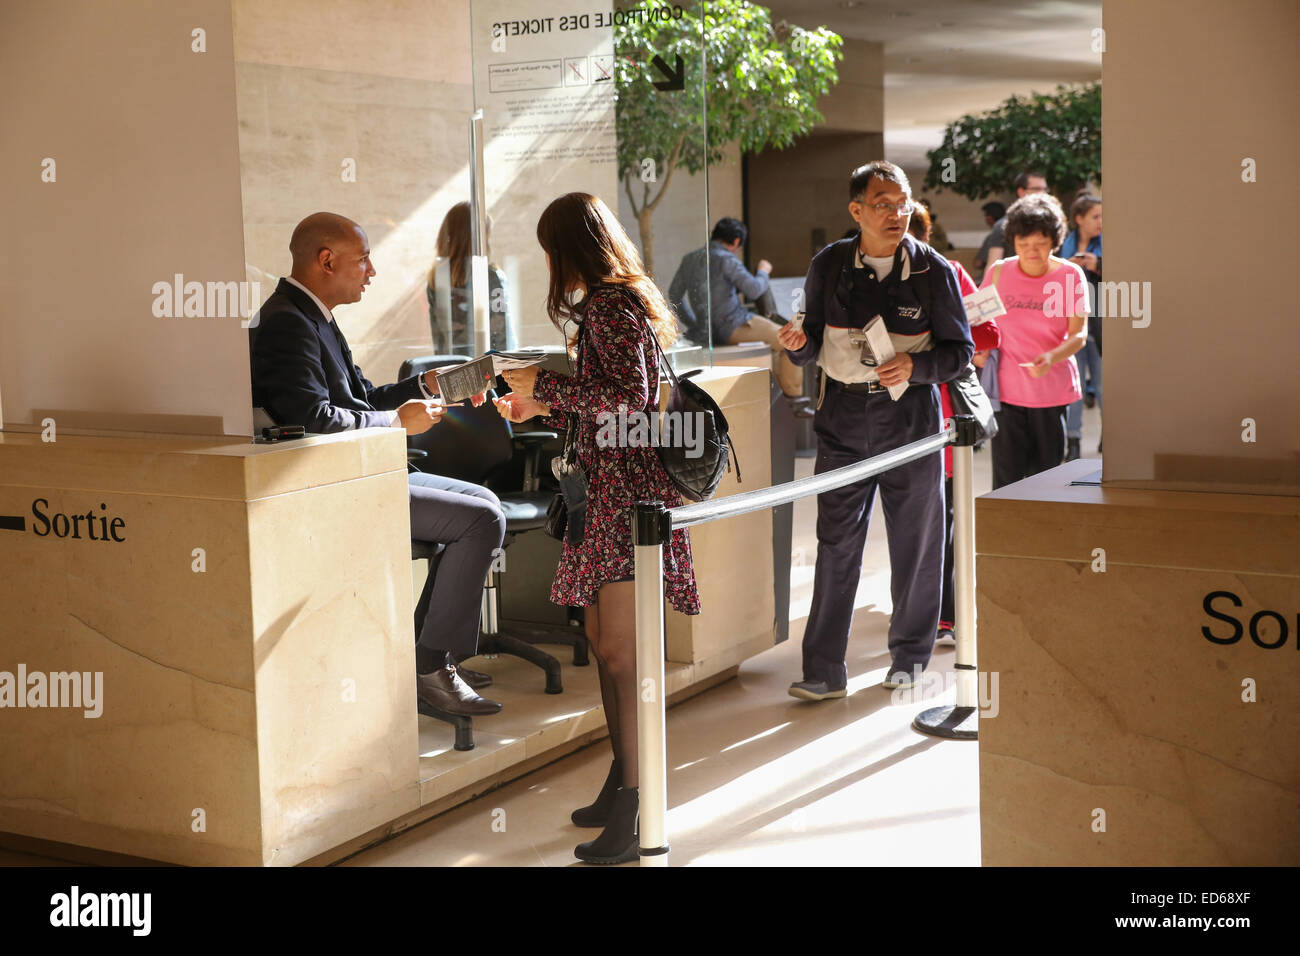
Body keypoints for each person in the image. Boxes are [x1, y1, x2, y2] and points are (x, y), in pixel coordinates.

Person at [496, 193, 699, 865]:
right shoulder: (617, 302)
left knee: (619, 650)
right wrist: (541, 402)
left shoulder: (612, 306)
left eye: (550, 250)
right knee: (604, 641)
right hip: (611, 492)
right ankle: (623, 778)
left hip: (627, 497)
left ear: (567, 250)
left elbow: (631, 403)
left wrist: (545, 392)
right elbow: (615, 401)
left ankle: (639, 798)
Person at [250, 212, 506, 719]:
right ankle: (430, 667)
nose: (372, 271)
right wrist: (396, 422)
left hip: (366, 472)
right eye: (363, 258)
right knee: (483, 520)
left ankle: (424, 656)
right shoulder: (286, 321)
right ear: (327, 261)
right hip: (336, 484)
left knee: (486, 500)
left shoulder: (313, 316)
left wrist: (426, 387)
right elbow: (312, 417)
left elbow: (360, 396)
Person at [777, 161, 973, 695]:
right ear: (856, 210)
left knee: (916, 542)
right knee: (836, 543)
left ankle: (909, 659)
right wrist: (801, 346)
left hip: (911, 420)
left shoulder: (935, 271)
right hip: (841, 417)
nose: (895, 213)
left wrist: (916, 367)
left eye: (903, 202)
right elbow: (813, 337)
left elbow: (961, 354)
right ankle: (822, 672)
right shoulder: (830, 264)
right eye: (882, 203)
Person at [907, 206, 1001, 645]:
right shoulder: (861, 278)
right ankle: (917, 606)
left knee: (944, 512)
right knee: (909, 516)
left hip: (941, 411)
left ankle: (946, 613)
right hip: (886, 416)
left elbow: (988, 334)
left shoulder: (949, 272)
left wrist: (944, 340)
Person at [981, 195, 1089, 488]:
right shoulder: (999, 272)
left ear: (1054, 241)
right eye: (1023, 244)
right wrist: (979, 351)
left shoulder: (1070, 275)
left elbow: (1079, 334)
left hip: (1050, 393)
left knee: (1048, 480)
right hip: (1005, 394)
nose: (1031, 252)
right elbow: (979, 324)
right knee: (1006, 481)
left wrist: (1051, 358)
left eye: (1039, 244)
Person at [668, 217, 811, 415]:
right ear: (736, 242)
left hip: (706, 331)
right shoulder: (727, 259)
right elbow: (754, 289)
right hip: (734, 324)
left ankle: (780, 394)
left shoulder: (690, 258)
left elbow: (674, 295)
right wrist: (763, 271)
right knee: (788, 339)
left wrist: (694, 323)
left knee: (777, 343)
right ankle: (794, 399)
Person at [427, 201, 511, 355]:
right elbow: (502, 333)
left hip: (448, 367)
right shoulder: (490, 276)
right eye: (486, 235)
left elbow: (440, 337)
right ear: (478, 238)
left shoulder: (436, 278)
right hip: (489, 366)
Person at [1060, 194, 1103, 459]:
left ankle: (1109, 437)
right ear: (1079, 218)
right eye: (1095, 216)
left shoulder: (1109, 245)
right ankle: (1072, 441)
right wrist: (1066, 267)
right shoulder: (1062, 245)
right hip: (1069, 325)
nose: (1101, 222)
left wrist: (1098, 265)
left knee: (1102, 386)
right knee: (1073, 386)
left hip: (1100, 326)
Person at [983, 172, 1049, 267]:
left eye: (1045, 189)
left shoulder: (1054, 224)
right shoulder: (1003, 226)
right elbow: (992, 267)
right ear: (1021, 192)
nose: (1043, 194)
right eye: (1037, 189)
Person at [972, 201, 1007, 279]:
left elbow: (977, 263)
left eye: (986, 215)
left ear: (990, 217)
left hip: (994, 279)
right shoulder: (1014, 232)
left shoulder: (993, 236)